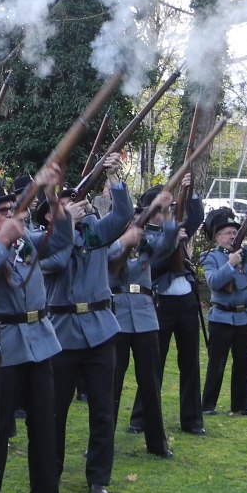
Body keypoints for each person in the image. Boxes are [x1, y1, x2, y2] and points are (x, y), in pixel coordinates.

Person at [0, 167, 73, 493]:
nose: (8, 216)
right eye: (0, 211)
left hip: (39, 340)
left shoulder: (25, 243)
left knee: (45, 426)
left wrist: (51, 197)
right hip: (3, 344)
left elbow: (61, 240)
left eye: (10, 210)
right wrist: (2, 241)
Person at [44, 154, 134, 493]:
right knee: (55, 411)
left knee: (103, 409)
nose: (76, 205)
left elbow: (123, 215)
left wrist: (113, 176)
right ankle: (51, 472)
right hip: (63, 332)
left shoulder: (96, 232)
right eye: (66, 202)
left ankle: (99, 478)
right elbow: (54, 261)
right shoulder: (47, 239)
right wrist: (64, 222)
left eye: (75, 200)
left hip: (100, 330)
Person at [128, 176, 207, 436]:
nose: (167, 213)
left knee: (190, 362)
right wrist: (172, 242)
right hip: (160, 301)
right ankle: (141, 418)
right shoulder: (143, 235)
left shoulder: (175, 227)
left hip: (186, 301)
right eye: (163, 209)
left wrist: (190, 190)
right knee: (153, 363)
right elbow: (152, 264)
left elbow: (196, 218)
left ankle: (192, 420)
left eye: (170, 208)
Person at [108, 186, 179, 459]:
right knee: (111, 384)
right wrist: (123, 242)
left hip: (146, 317)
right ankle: (102, 441)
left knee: (150, 382)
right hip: (118, 317)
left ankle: (157, 442)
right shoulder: (110, 244)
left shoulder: (148, 244)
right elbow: (105, 262)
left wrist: (167, 211)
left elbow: (170, 242)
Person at [200, 210, 247, 416]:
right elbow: (214, 282)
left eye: (234, 232)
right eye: (227, 233)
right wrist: (230, 263)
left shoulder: (245, 253)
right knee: (216, 364)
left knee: (243, 363)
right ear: (217, 237)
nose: (232, 236)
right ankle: (208, 405)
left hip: (245, 316)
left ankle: (242, 405)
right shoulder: (210, 257)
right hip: (221, 317)